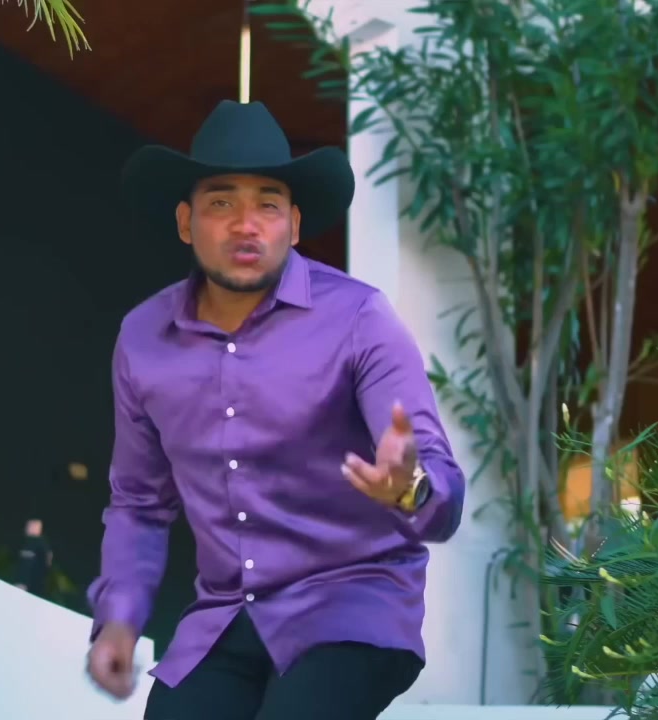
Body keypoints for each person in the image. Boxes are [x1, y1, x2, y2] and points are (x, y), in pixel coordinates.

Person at [83, 100, 467, 720]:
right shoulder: (142, 339)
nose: (246, 224)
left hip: (353, 605)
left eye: (267, 204)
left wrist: (410, 486)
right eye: (221, 203)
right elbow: (138, 502)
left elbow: (439, 484)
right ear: (185, 222)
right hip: (227, 616)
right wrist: (119, 619)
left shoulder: (360, 318)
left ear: (294, 222)